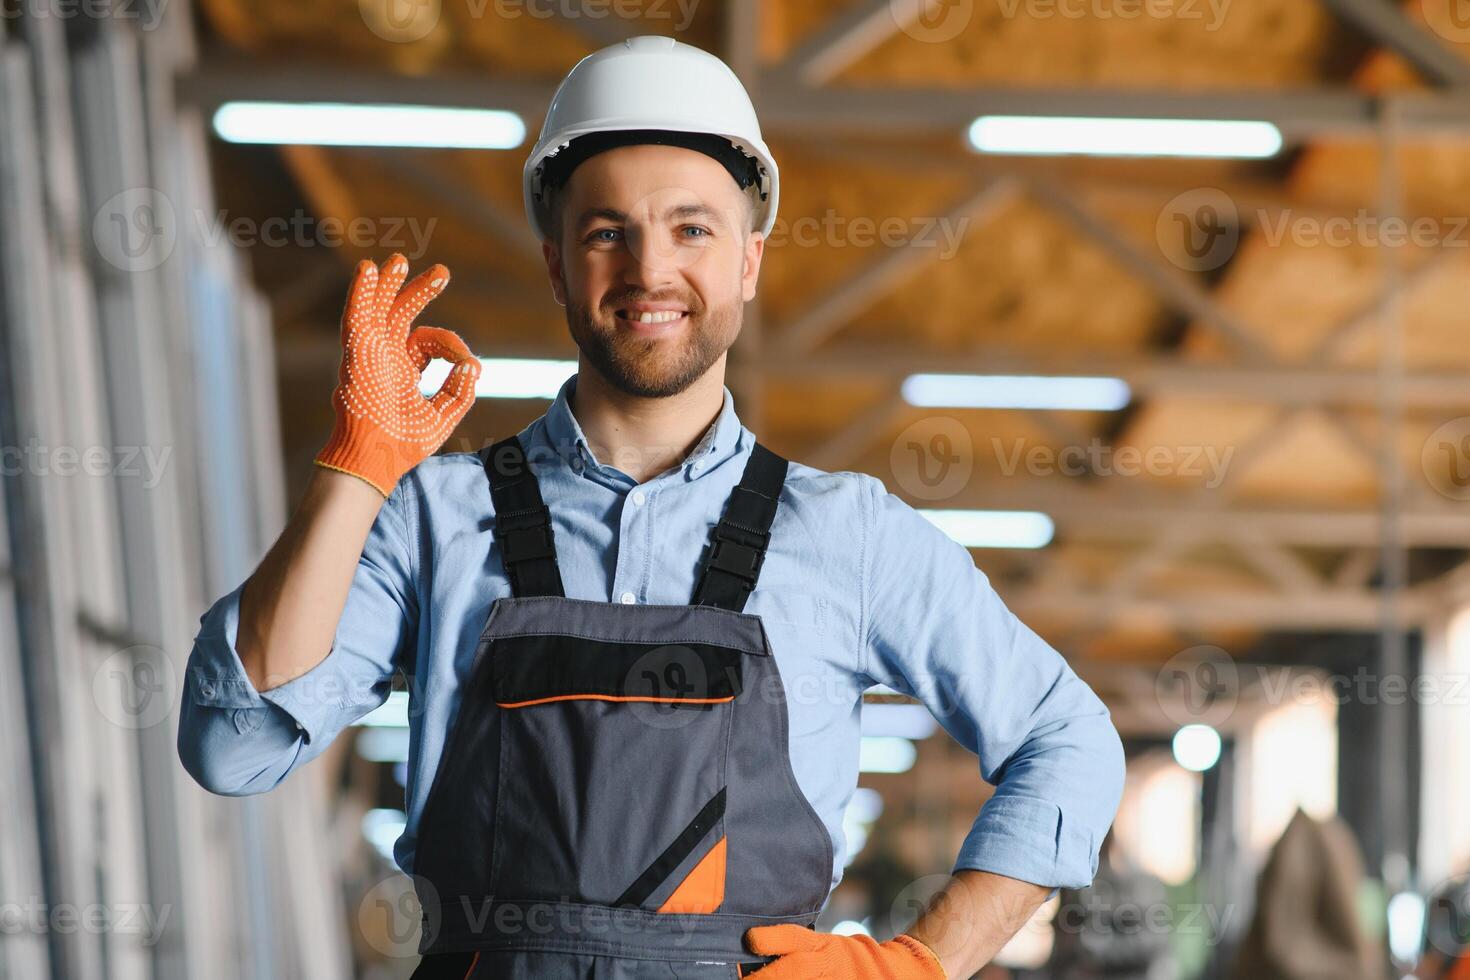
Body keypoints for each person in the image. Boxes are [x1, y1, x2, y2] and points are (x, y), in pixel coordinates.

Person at [177, 35, 1126, 979]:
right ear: (556, 266)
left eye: (691, 229)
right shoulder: (431, 518)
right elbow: (232, 744)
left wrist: (915, 964)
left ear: (748, 262)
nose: (647, 269)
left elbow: (1068, 742)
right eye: (606, 232)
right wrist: (354, 469)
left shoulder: (850, 536)